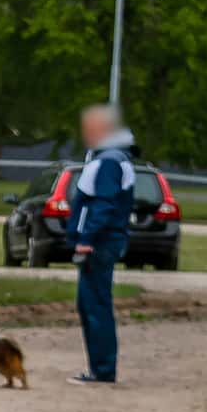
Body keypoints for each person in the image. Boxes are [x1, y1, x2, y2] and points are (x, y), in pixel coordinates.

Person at [68, 103, 136, 386]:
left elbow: (104, 204)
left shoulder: (109, 162)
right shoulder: (111, 158)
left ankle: (103, 369)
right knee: (89, 304)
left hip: (99, 244)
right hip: (102, 241)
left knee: (95, 304)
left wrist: (87, 239)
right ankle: (100, 366)